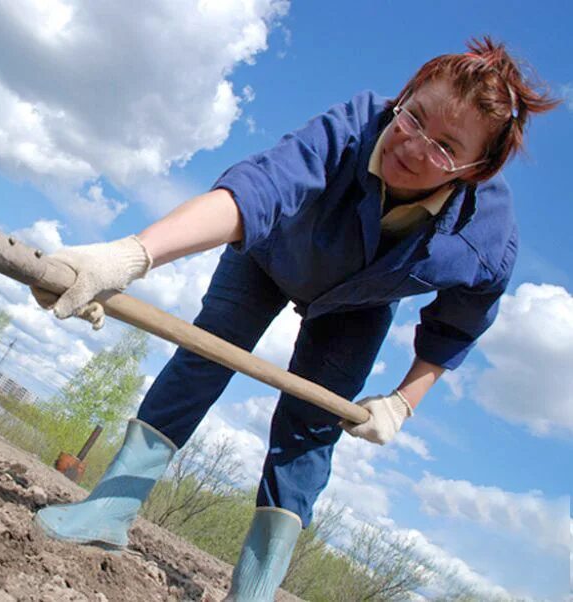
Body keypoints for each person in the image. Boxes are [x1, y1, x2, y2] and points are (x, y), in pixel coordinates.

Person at [31, 37, 559, 600]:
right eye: (414, 117)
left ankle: (253, 590)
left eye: (445, 147)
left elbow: (457, 327)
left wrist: (404, 404)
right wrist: (130, 256)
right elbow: (260, 188)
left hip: (356, 306)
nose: (413, 144)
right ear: (403, 98)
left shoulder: (485, 237)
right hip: (272, 252)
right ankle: (111, 510)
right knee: (205, 354)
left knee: (310, 428)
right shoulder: (355, 125)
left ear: (475, 170)